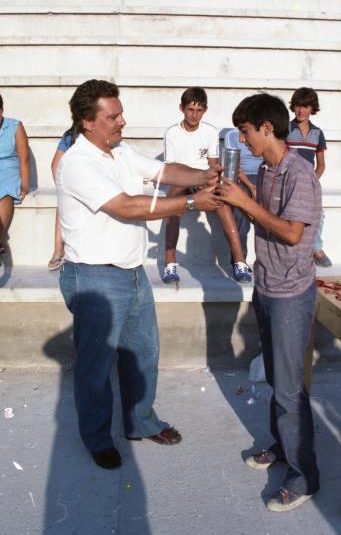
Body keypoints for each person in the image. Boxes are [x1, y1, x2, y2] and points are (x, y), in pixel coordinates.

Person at [56, 79, 220, 470]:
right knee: (95, 368)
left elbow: (165, 170)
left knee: (143, 355)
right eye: (112, 117)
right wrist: (193, 201)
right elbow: (126, 206)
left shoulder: (121, 152)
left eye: (121, 113)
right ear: (87, 121)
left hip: (132, 273)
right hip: (94, 279)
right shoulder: (77, 163)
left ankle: (139, 423)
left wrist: (203, 175)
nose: (122, 122)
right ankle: (97, 439)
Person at [217, 93, 321, 512]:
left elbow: (294, 233)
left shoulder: (300, 173)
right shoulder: (266, 169)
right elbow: (264, 210)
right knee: (278, 382)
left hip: (292, 294)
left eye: (245, 132)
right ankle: (282, 448)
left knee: (291, 391)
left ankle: (305, 476)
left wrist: (244, 203)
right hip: (267, 285)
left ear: (266, 127)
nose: (243, 142)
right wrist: (237, 189)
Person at [163, 87, 251, 284]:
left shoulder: (210, 131)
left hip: (204, 178)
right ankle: (170, 264)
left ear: (205, 110)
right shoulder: (172, 133)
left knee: (223, 203)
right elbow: (171, 168)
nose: (194, 115)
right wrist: (193, 177)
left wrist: (217, 178)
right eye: (190, 109)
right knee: (172, 207)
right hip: (181, 178)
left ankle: (240, 262)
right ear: (182, 108)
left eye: (199, 110)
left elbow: (212, 163)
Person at [286, 87, 332, 267]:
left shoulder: (317, 133)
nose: (301, 110)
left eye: (306, 106)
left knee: (319, 213)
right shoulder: (286, 128)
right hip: (288, 180)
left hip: (309, 182)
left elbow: (321, 164)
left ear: (312, 108)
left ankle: (316, 248)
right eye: (298, 106)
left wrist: (312, 180)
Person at [224, 127, 263, 261]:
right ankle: (239, 259)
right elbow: (233, 166)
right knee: (240, 204)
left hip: (265, 175)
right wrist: (251, 187)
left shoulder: (264, 133)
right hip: (242, 177)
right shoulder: (233, 135)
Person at [0, 93, 30, 255]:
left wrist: (25, 185)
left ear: (1, 110)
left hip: (9, 169)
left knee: (5, 194)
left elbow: (24, 158)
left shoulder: (15, 126)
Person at [48, 127, 77, 270]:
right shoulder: (70, 135)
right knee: (63, 202)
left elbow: (54, 165)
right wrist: (64, 188)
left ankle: (60, 251)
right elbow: (55, 165)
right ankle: (59, 250)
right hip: (76, 182)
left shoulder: (71, 134)